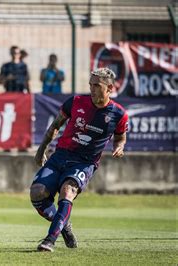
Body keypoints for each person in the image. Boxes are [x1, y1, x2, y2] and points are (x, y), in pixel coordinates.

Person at [30, 68, 128, 252]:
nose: (92, 89)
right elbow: (55, 126)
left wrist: (119, 146)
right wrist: (41, 150)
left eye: (97, 85)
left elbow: (120, 136)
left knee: (67, 192)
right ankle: (64, 224)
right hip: (60, 155)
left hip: (84, 162)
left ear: (109, 88)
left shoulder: (118, 114)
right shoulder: (76, 102)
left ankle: (50, 240)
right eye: (90, 84)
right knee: (37, 193)